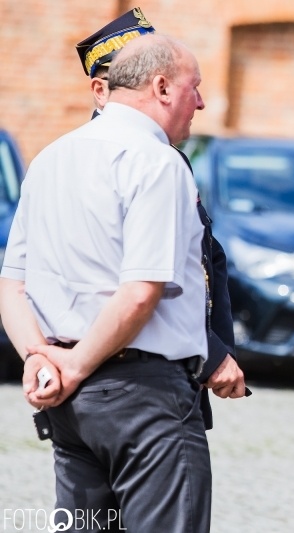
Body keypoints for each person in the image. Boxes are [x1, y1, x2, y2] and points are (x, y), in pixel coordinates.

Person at [0, 34, 213, 531]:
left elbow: (11, 286)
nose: (200, 101)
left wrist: (37, 356)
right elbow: (140, 292)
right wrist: (71, 366)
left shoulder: (51, 157)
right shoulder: (157, 162)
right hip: (142, 394)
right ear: (161, 87)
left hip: (72, 402)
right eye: (194, 87)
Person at [75, 9, 247, 424]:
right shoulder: (108, 160)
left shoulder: (164, 156)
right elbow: (138, 277)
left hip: (164, 364)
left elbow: (206, 259)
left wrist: (216, 347)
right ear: (102, 89)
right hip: (133, 374)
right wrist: (211, 354)